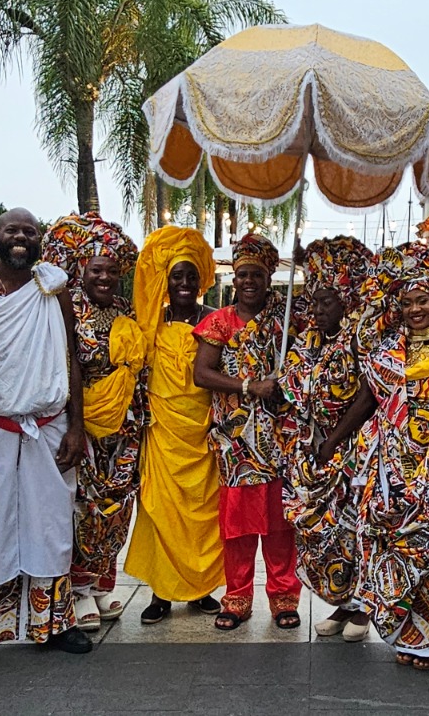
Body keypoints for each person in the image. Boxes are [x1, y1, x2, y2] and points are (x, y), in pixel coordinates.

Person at [0, 208, 92, 679]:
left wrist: (75, 426)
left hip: (49, 426)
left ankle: (53, 624)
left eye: (30, 230)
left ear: (39, 239)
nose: (21, 237)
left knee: (50, 525)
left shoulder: (54, 288)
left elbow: (71, 357)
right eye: (13, 230)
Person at [336, 242, 429, 670]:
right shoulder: (385, 355)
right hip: (388, 468)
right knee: (388, 548)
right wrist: (331, 444)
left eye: (424, 300)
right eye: (408, 302)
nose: (416, 309)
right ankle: (405, 633)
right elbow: (366, 403)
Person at [40, 213, 146, 632]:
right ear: (80, 271)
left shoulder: (126, 309)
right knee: (82, 506)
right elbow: (67, 368)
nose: (105, 277)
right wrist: (75, 424)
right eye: (96, 270)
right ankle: (78, 591)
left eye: (112, 271)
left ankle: (103, 582)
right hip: (82, 425)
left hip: (127, 426)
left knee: (117, 507)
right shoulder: (65, 310)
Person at [192, 233, 302, 630]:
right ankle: (237, 597)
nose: (249, 282)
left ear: (270, 275)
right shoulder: (218, 323)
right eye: (242, 275)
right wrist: (248, 386)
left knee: (278, 523)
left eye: (257, 274)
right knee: (237, 526)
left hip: (280, 436)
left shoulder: (289, 316)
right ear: (233, 279)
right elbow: (202, 374)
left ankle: (284, 596)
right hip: (235, 441)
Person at [123, 225, 225, 623]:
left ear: (201, 282)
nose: (184, 283)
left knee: (204, 516)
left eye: (191, 276)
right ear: (166, 282)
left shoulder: (216, 321)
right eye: (177, 276)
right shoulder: (151, 325)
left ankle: (201, 591)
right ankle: (161, 593)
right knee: (161, 513)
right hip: (163, 435)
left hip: (204, 434)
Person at [276, 236, 375, 642]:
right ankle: (341, 602)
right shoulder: (307, 340)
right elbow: (291, 387)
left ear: (347, 300)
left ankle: (362, 608)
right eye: (313, 301)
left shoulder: (359, 337)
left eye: (326, 302)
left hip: (350, 451)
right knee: (320, 534)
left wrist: (334, 439)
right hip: (309, 452)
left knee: (351, 530)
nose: (316, 310)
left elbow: (369, 394)